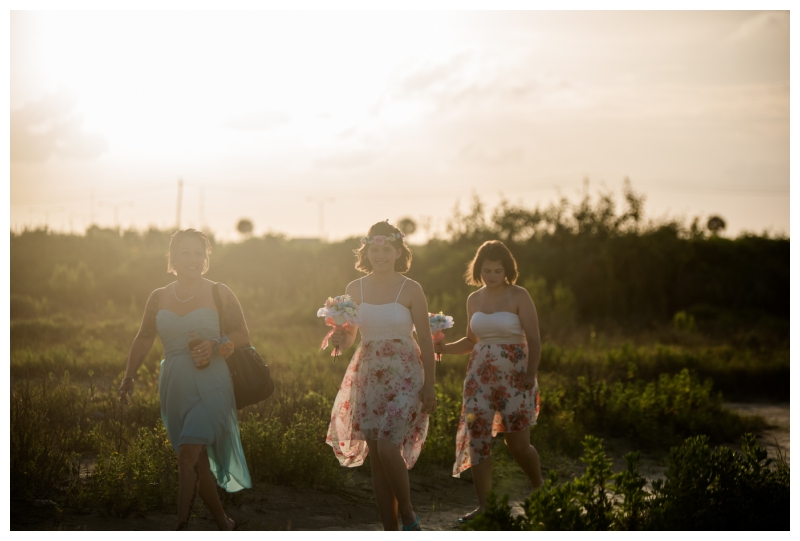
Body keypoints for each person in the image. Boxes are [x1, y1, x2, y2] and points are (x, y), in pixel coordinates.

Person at [118, 228, 251, 530]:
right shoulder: (159, 296)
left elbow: (243, 335)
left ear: (205, 258)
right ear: (173, 257)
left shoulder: (220, 291)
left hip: (211, 381)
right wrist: (128, 377)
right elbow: (144, 337)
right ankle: (224, 523)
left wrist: (217, 344)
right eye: (185, 252)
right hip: (174, 384)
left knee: (188, 454)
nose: (192, 259)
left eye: (198, 253)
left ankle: (180, 527)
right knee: (194, 462)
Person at [326, 220, 437, 531]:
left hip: (405, 374)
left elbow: (426, 339)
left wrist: (430, 384)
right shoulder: (354, 289)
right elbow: (350, 338)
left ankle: (408, 514)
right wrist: (340, 338)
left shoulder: (411, 288)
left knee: (388, 445)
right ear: (367, 251)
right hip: (369, 373)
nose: (381, 255)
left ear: (398, 251)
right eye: (375, 250)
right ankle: (390, 530)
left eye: (387, 249)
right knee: (376, 454)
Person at [434, 240, 542, 523]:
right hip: (479, 376)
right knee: (477, 439)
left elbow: (534, 338)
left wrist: (530, 374)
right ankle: (486, 507)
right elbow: (471, 341)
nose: (492, 276)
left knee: (517, 444)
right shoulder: (474, 300)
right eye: (487, 270)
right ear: (478, 270)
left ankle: (542, 491)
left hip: (516, 375)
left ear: (507, 270)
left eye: (497, 270)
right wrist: (442, 348)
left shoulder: (519, 295)